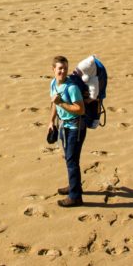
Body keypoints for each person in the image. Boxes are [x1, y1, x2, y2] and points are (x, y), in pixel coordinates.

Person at [48, 55, 86, 207]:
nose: (63, 71)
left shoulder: (72, 88)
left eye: (65, 68)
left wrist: (62, 103)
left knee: (72, 160)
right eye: (60, 68)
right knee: (69, 158)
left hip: (76, 127)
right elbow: (54, 104)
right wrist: (51, 121)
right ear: (53, 70)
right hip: (64, 126)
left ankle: (75, 196)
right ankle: (73, 185)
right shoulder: (53, 84)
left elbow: (80, 109)